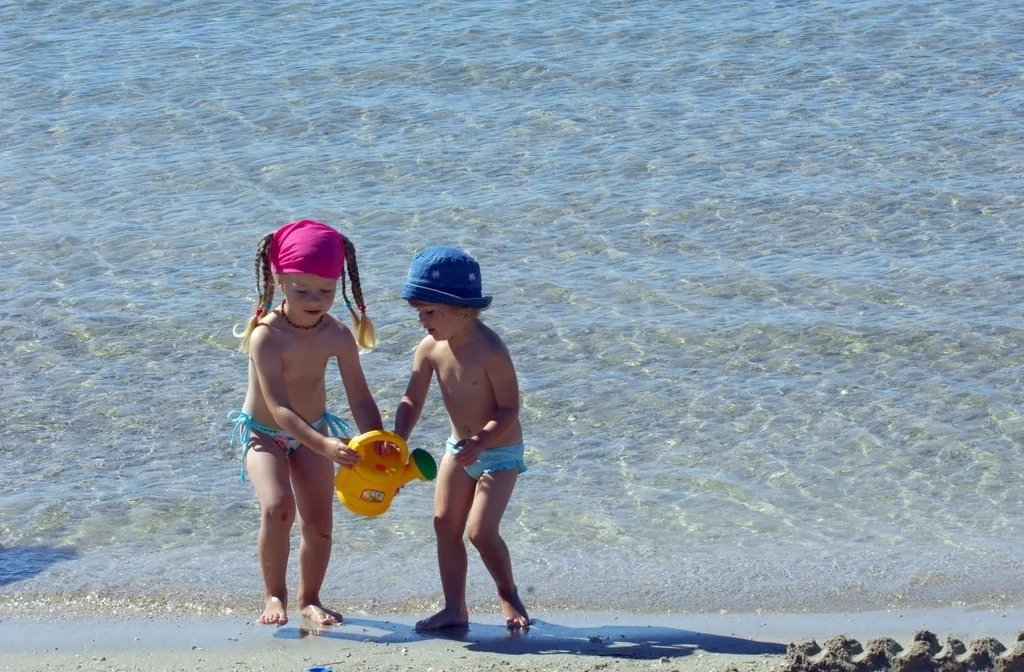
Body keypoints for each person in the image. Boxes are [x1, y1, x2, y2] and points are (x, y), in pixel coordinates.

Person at [228, 219, 383, 627]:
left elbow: (361, 398)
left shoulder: (335, 334)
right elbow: (278, 408)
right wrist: (325, 445)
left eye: (326, 291)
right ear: (280, 282)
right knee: (279, 508)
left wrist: (378, 442)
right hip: (266, 434)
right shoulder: (267, 336)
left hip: (314, 430)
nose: (315, 300)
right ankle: (274, 593)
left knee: (319, 522)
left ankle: (310, 598)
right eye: (302, 290)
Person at [393, 246, 530, 631]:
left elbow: (508, 409)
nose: (422, 320)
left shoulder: (490, 349)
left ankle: (507, 591)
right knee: (444, 524)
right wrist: (397, 440)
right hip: (458, 448)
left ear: (464, 309)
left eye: (430, 312)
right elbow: (411, 400)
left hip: (498, 450)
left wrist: (482, 442)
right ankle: (455, 608)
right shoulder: (429, 348)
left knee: (480, 532)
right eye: (418, 311)